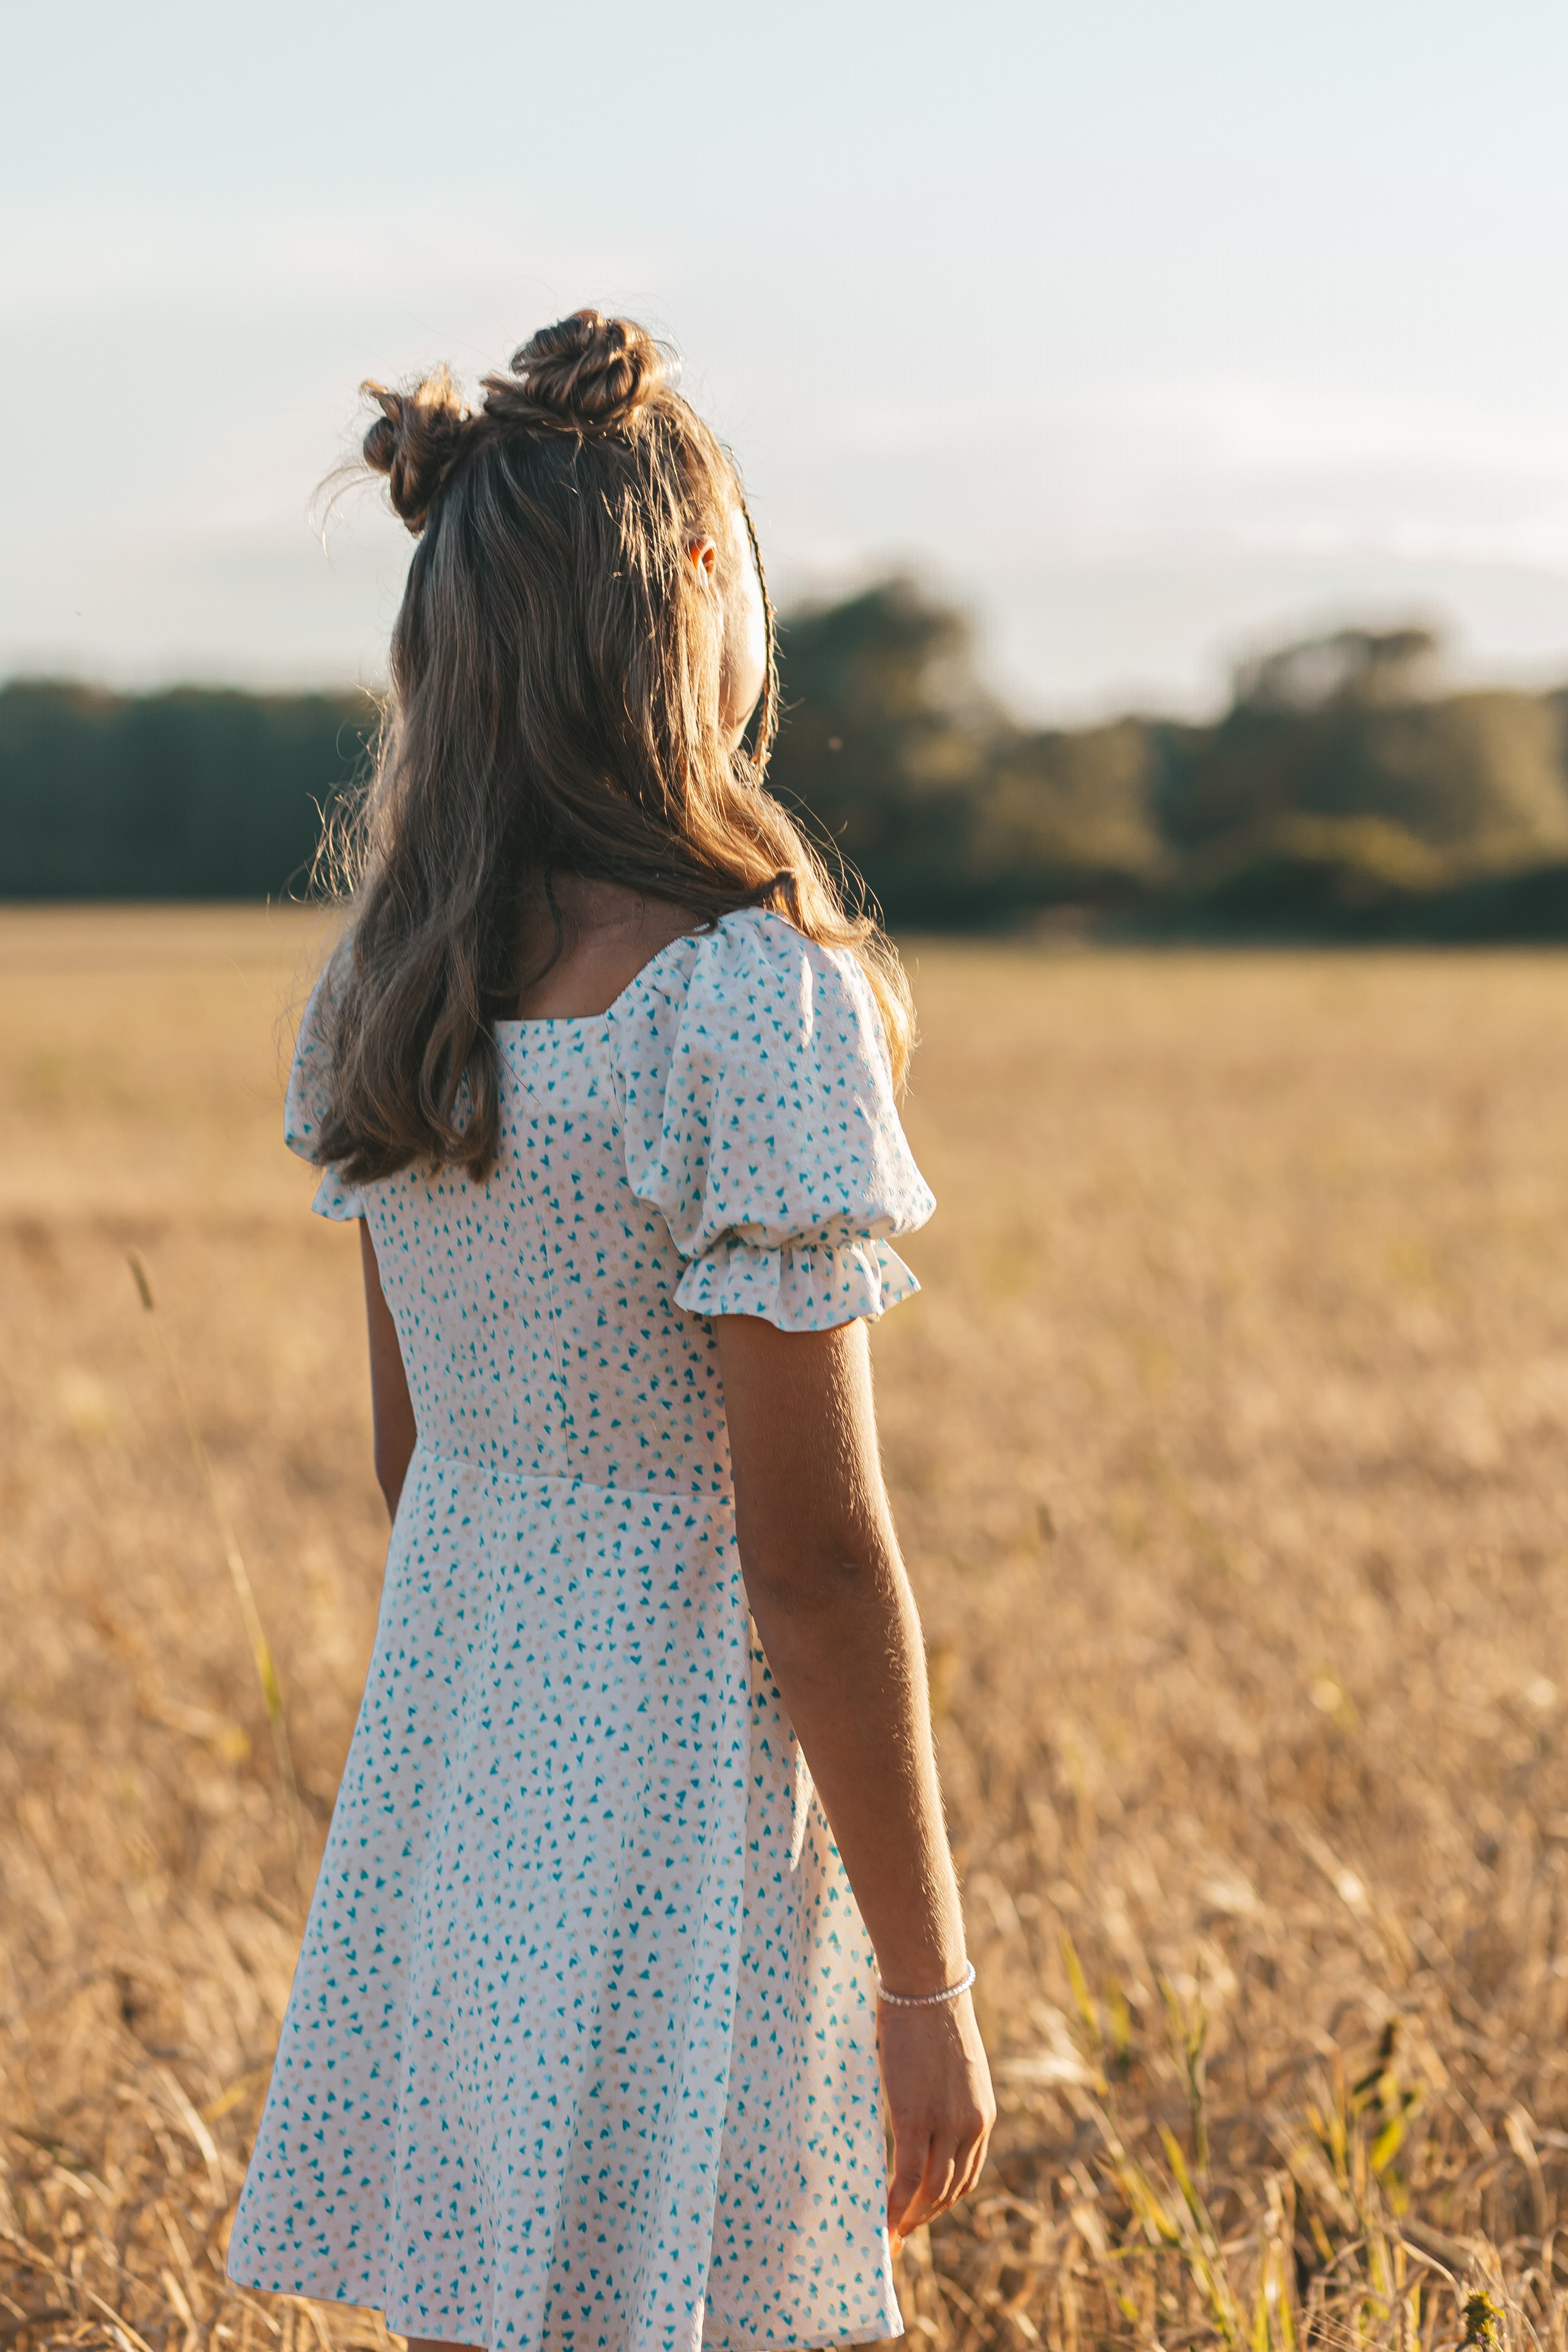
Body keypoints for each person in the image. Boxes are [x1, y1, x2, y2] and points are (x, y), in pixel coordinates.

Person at [227, 309, 993, 2352]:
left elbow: (420, 1462)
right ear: (700, 613)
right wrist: (930, 1991)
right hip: (679, 1820)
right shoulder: (754, 995)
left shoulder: (391, 992)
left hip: (463, 1776)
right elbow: (813, 1561)